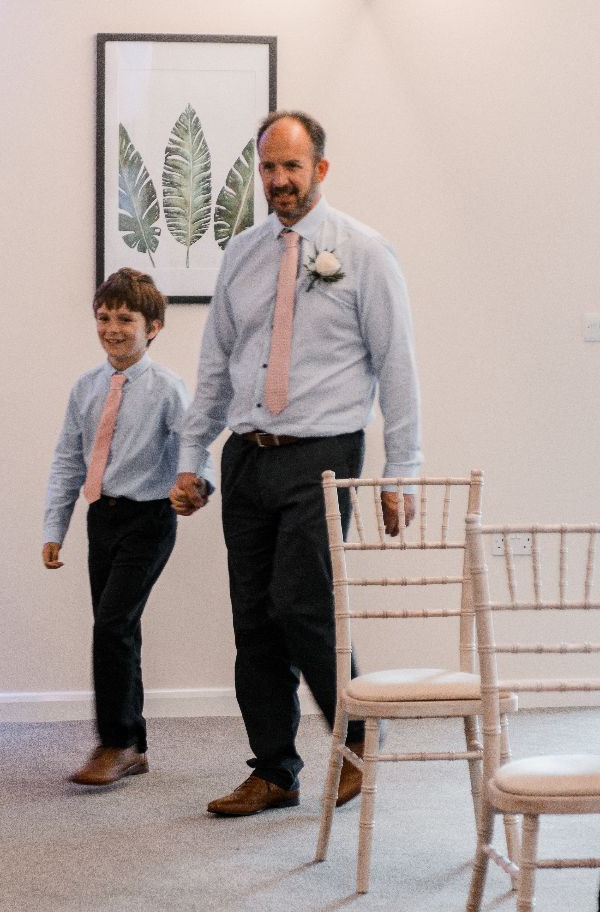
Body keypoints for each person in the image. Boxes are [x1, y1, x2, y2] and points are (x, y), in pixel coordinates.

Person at [170, 111, 421, 816]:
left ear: (321, 169)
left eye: (293, 167)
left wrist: (401, 472)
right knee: (252, 617)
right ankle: (274, 771)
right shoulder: (242, 253)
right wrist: (194, 460)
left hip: (324, 454)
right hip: (247, 456)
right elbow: (215, 364)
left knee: (302, 602)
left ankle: (357, 740)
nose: (280, 181)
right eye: (269, 168)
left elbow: (396, 367)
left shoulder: (364, 252)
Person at [43, 267, 215, 786]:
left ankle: (113, 743)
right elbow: (68, 461)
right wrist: (56, 527)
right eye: (103, 317)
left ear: (153, 327)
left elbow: (194, 443)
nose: (113, 328)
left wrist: (198, 487)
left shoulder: (166, 388)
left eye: (125, 318)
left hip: (148, 518)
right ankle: (134, 745)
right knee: (121, 629)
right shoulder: (86, 387)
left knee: (111, 625)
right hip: (103, 518)